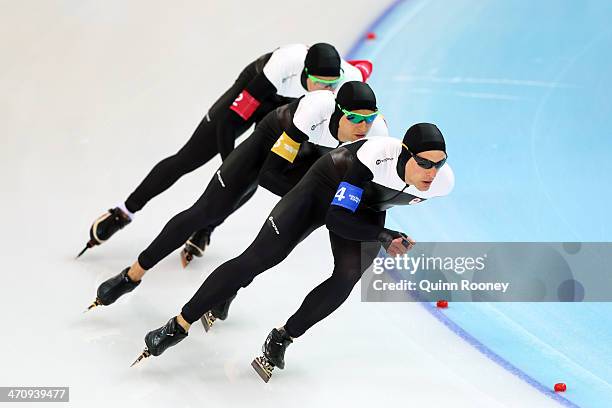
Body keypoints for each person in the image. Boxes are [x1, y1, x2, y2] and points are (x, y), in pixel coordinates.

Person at [131, 123, 455, 382]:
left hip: (367, 207)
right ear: (404, 154)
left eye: (439, 165)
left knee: (348, 276)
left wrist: (381, 233)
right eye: (424, 163)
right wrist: (384, 235)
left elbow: (358, 216)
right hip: (321, 190)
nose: (431, 172)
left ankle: (282, 338)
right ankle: (179, 323)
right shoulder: (374, 157)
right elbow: (336, 217)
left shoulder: (442, 184)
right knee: (259, 258)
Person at [86, 82, 388, 322]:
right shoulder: (311, 114)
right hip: (268, 146)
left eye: (369, 119)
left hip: (310, 159)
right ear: (337, 112)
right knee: (206, 210)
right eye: (355, 119)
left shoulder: (376, 136)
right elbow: (270, 176)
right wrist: (308, 200)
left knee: (272, 247)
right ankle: (132, 274)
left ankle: (227, 290)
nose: (363, 126)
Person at [77, 43, 374, 257]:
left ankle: (207, 227)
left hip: (291, 112)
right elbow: (229, 122)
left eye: (330, 85)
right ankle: (124, 212)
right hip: (261, 93)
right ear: (304, 72)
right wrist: (229, 164)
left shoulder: (344, 83)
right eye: (319, 83)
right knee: (190, 157)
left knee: (259, 174)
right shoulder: (283, 65)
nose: (325, 90)